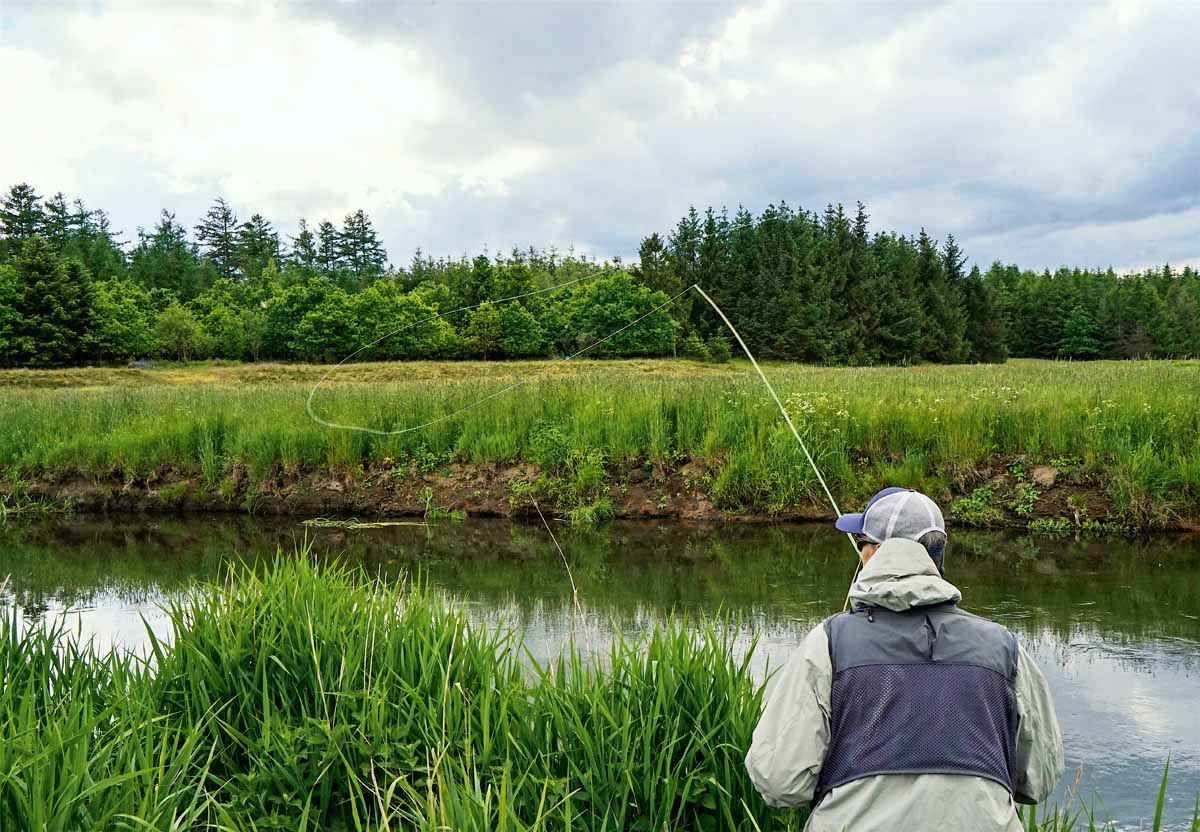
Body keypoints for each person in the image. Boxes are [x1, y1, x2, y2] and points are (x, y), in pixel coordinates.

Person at [745, 487, 1064, 831]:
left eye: (860, 543)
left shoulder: (828, 643)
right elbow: (1039, 779)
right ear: (937, 557)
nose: (860, 553)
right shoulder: (1005, 648)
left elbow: (779, 780)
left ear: (875, 552)